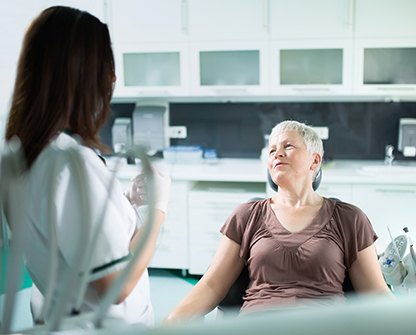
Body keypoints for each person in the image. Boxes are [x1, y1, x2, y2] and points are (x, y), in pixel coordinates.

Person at [1, 6, 170, 326]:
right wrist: (157, 212)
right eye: (107, 64)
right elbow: (115, 286)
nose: (114, 78)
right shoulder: (70, 165)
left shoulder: (25, 153)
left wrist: (123, 203)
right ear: (86, 74)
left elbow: (64, 232)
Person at [166, 120, 390, 323]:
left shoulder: (349, 219)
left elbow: (376, 294)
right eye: (272, 150)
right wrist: (171, 322)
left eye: (288, 146)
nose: (277, 154)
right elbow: (212, 285)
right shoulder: (247, 215)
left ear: (315, 160)